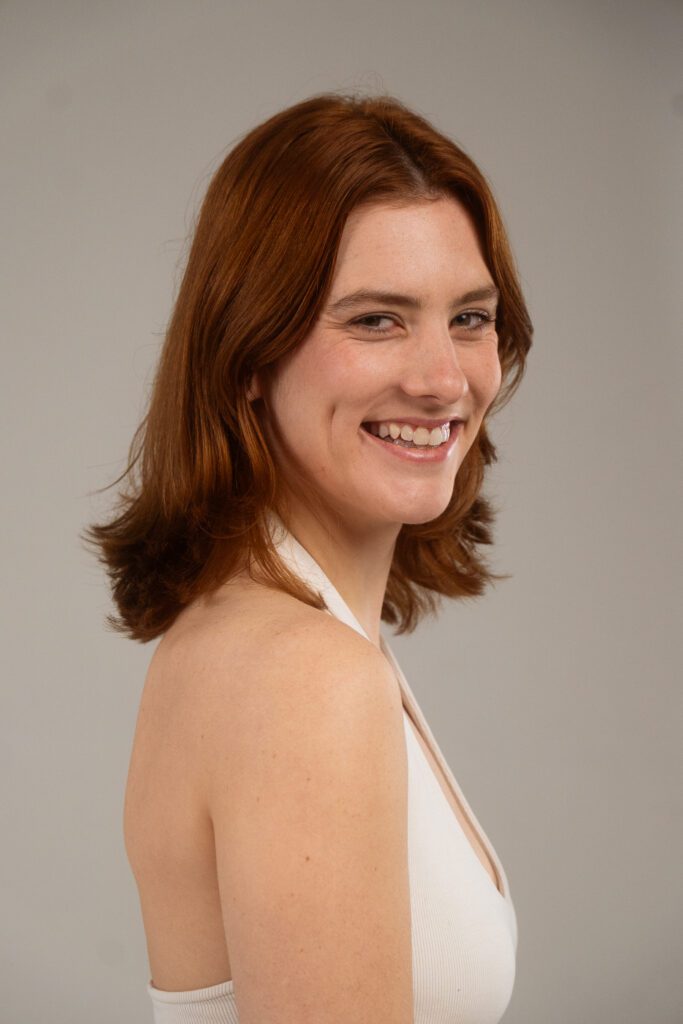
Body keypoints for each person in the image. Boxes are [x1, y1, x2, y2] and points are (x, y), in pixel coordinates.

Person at [84, 92, 532, 1024]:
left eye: (469, 317)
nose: (442, 379)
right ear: (248, 353)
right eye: (375, 321)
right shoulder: (306, 676)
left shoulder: (250, 636)